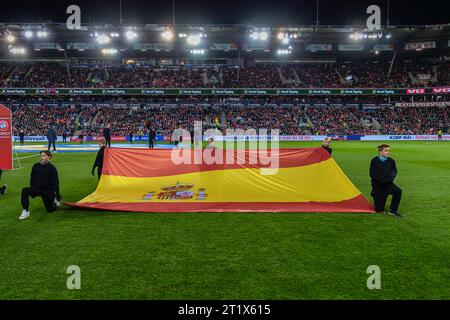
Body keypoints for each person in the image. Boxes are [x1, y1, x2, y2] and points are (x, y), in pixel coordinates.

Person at [19, 151, 61, 220]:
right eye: (41, 155)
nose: (42, 157)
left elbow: (56, 182)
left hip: (47, 191)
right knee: (25, 190)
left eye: (44, 156)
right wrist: (32, 188)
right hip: (37, 188)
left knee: (50, 210)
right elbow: (32, 178)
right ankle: (25, 211)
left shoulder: (52, 168)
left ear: (49, 157)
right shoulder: (35, 166)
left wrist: (57, 195)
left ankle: (55, 203)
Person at [369, 144, 402, 218]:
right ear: (380, 152)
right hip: (378, 186)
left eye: (389, 150)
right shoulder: (374, 160)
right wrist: (383, 180)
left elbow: (394, 172)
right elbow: (372, 174)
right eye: (386, 150)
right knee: (379, 210)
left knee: (398, 191)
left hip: (388, 184)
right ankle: (375, 195)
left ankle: (393, 210)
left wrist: (389, 180)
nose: (388, 152)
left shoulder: (391, 161)